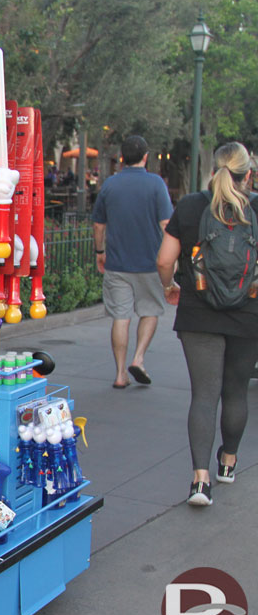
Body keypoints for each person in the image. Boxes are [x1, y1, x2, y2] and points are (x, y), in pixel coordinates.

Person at [156, 141, 258, 507]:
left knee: (204, 395)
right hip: (249, 313)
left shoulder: (191, 205)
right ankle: (227, 463)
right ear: (249, 173)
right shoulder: (256, 207)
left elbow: (165, 259)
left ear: (214, 169)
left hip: (198, 311)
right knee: (235, 390)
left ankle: (200, 482)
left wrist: (170, 286)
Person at [92, 135, 173, 388]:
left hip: (117, 263)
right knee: (149, 312)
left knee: (121, 316)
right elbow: (166, 224)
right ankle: (138, 359)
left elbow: (98, 224)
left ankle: (119, 374)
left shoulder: (110, 185)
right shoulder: (156, 184)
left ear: (122, 158)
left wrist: (100, 251)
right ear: (146, 157)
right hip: (150, 262)